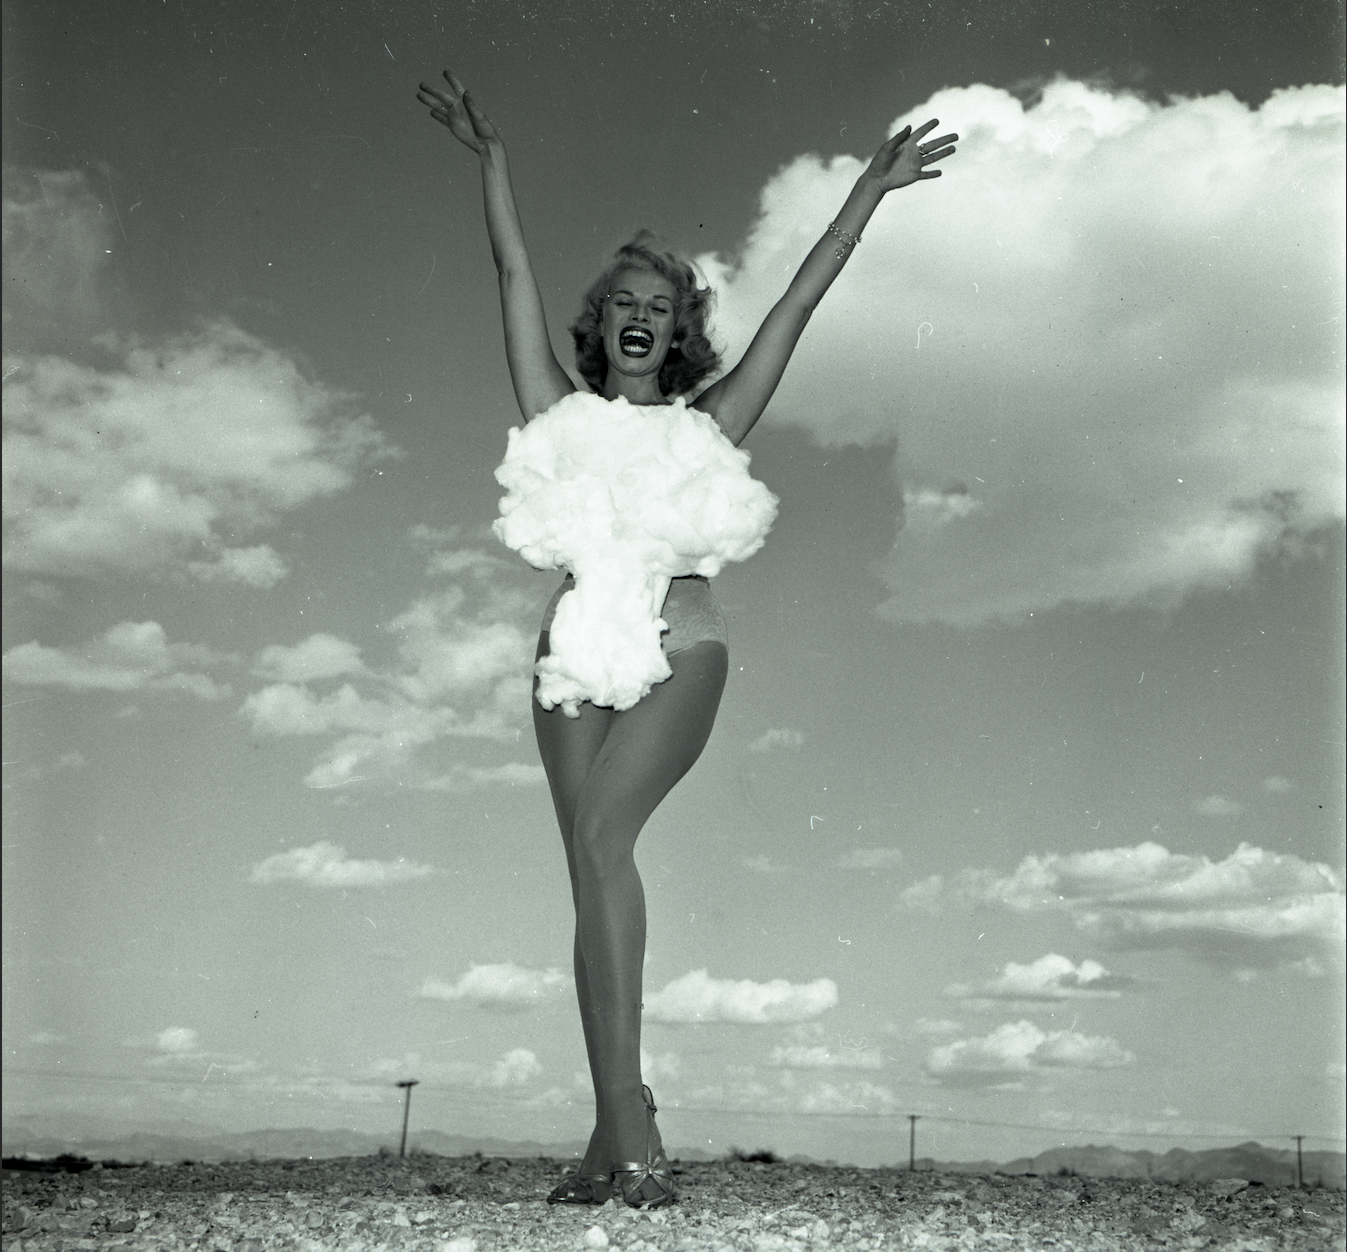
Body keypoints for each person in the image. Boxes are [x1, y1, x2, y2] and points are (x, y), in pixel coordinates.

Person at [416, 69, 956, 1209]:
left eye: (660, 301)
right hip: (569, 661)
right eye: (623, 296)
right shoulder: (556, 412)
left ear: (679, 327)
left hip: (680, 649)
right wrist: (493, 158)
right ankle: (617, 1129)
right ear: (601, 319)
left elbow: (797, 308)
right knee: (589, 873)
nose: (639, 311)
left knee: (606, 838)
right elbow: (510, 272)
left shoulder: (711, 421)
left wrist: (868, 192)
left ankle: (633, 1133)